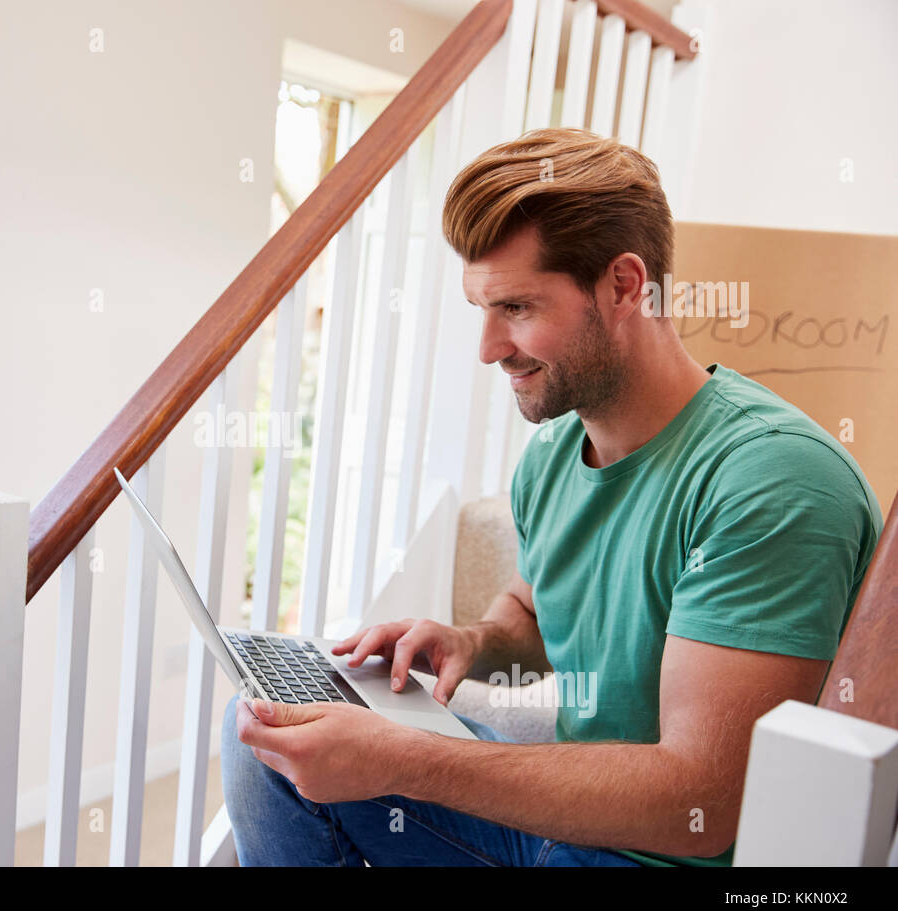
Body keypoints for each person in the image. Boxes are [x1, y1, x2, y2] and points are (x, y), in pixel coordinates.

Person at [220, 127, 884, 867]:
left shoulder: (770, 480)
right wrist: (470, 643)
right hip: (572, 825)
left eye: (517, 308)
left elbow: (700, 807)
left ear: (625, 286)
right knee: (265, 732)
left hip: (660, 855)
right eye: (482, 307)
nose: (488, 347)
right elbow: (534, 613)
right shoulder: (554, 454)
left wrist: (403, 759)